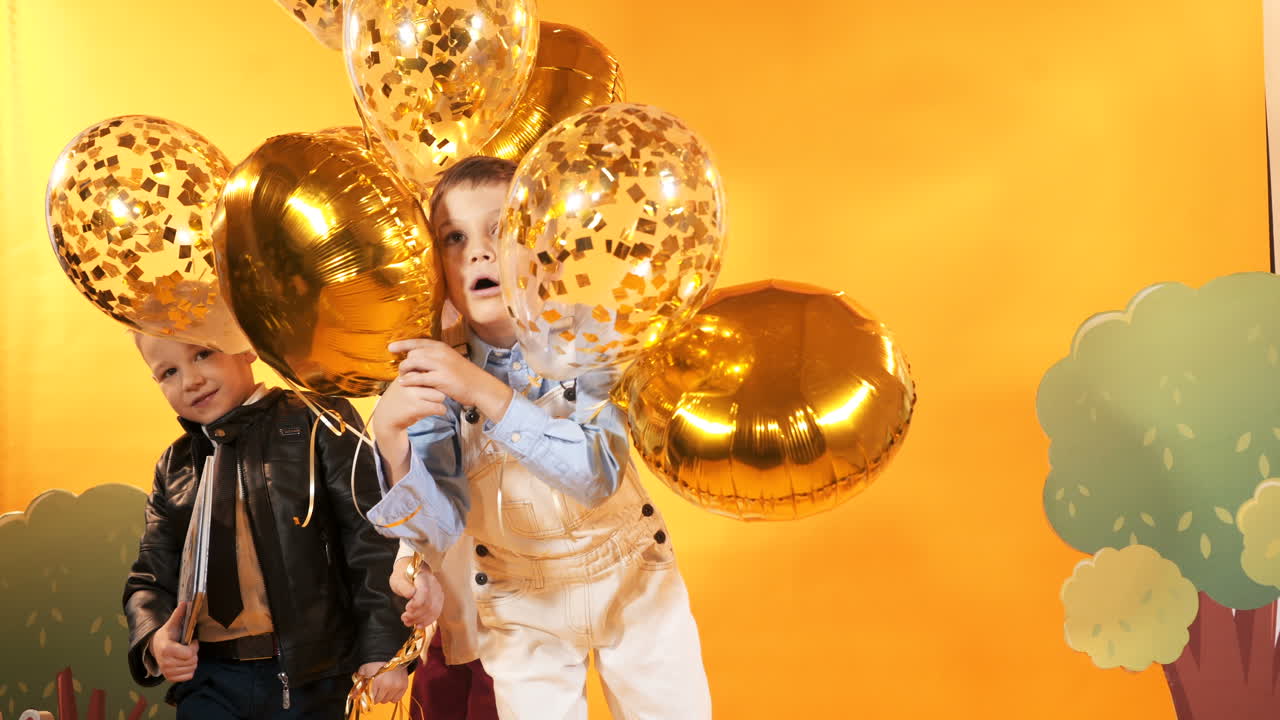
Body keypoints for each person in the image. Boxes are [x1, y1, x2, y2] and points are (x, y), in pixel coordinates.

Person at [368, 156, 712, 719]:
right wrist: (391, 439)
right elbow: (438, 525)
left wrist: (482, 389)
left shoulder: (591, 341)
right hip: (520, 603)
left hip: (633, 579)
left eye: (500, 229)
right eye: (454, 237)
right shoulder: (438, 372)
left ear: (543, 245)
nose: (478, 251)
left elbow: (596, 474)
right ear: (438, 268)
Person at [123, 334, 411, 718]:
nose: (189, 380)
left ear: (245, 344)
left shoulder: (320, 420)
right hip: (208, 679)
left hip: (309, 676)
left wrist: (383, 647)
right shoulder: (174, 466)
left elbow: (370, 537)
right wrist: (156, 639)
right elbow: (149, 576)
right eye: (168, 372)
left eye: (203, 353)